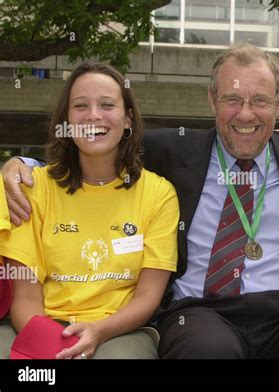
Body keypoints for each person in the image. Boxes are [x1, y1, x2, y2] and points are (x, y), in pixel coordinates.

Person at [1, 43, 279, 359]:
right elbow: (98, 141)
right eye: (231, 99)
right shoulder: (171, 150)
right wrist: (23, 165)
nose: (245, 114)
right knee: (206, 351)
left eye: (259, 100)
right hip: (201, 309)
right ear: (212, 99)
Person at [0, 62, 179, 359]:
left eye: (107, 105)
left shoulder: (159, 194)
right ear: (66, 120)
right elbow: (25, 297)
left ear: (127, 120)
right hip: (37, 322)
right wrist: (52, 346)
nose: (93, 115)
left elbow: (147, 297)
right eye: (80, 106)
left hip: (120, 330)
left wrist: (98, 332)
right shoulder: (32, 188)